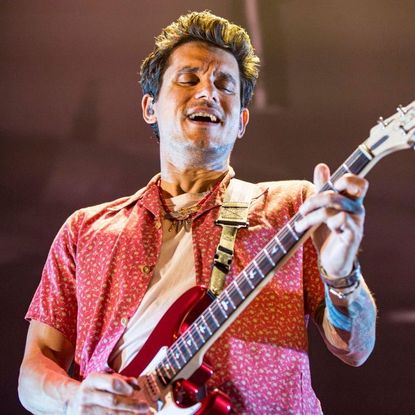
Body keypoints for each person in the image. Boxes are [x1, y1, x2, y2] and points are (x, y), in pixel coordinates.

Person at [18, 10, 377, 415]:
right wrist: (71, 397)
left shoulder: (294, 209)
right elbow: (35, 370)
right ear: (149, 107)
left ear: (241, 121)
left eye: (225, 85)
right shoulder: (84, 230)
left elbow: (356, 350)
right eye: (189, 79)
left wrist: (342, 275)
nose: (208, 92)